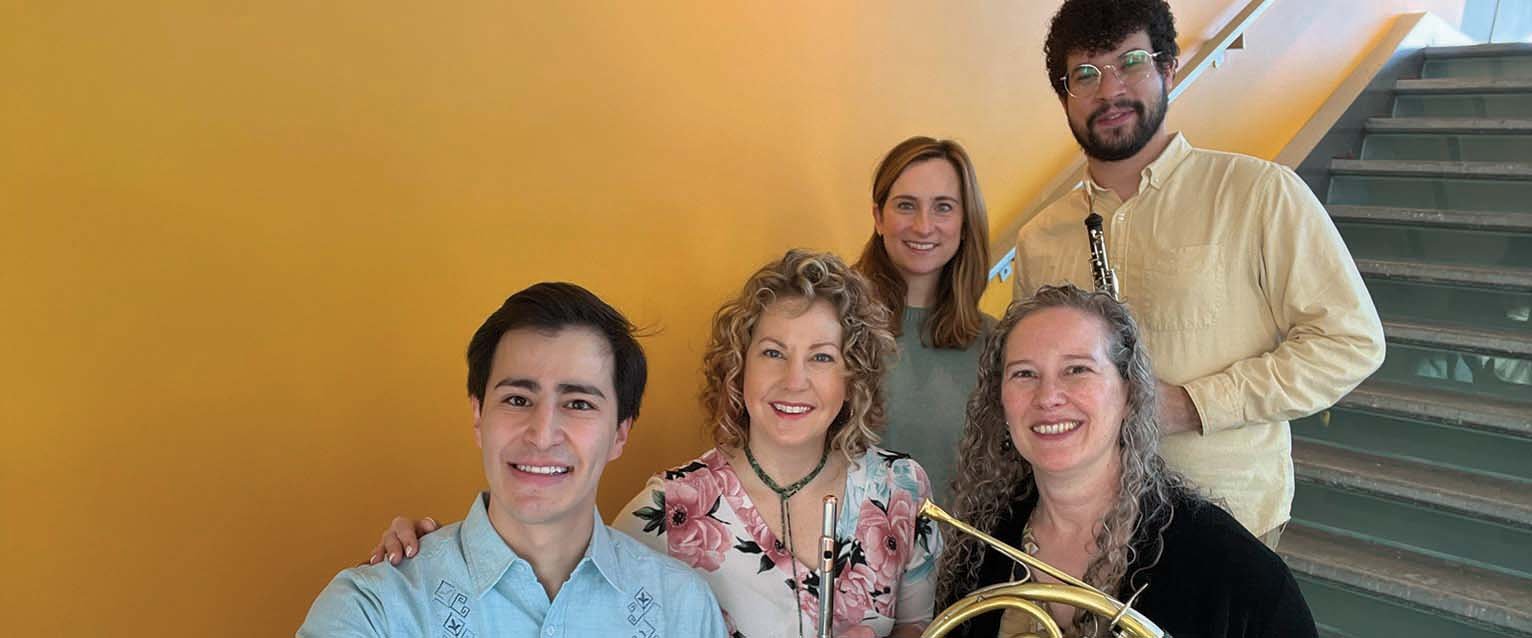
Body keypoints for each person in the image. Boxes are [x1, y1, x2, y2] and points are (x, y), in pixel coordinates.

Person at [366, 252, 943, 638]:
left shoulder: (902, 490)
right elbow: (558, 566)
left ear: (853, 375)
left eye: (822, 357)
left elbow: (918, 629)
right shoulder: (667, 510)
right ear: (737, 369)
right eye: (772, 352)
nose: (795, 381)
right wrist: (437, 553)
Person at [1012, 0, 1386, 545]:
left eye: (1131, 62)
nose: (1109, 90)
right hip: (1081, 526)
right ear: (1064, 96)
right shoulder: (1039, 238)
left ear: (1169, 68)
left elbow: (1350, 342)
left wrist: (1193, 405)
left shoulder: (1259, 194)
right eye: (1086, 74)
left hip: (1226, 523)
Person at [298, 283, 727, 637]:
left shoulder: (682, 609)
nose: (542, 433)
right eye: (518, 399)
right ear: (478, 416)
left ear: (620, 433)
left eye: (578, 404)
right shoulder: (375, 609)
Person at [936, 284, 1317, 638]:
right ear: (1000, 401)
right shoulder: (980, 544)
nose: (1048, 396)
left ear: (1129, 395)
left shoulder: (1230, 566)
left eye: (1077, 369)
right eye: (1024, 374)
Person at [854, 136, 994, 507]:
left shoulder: (997, 344)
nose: (923, 225)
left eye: (943, 207)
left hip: (961, 544)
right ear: (878, 217)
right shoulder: (836, 328)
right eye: (906, 205)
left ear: (965, 222)